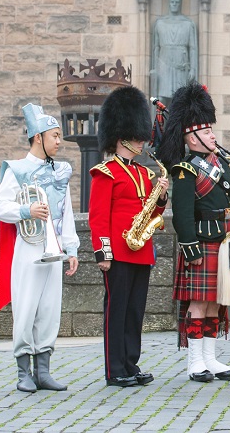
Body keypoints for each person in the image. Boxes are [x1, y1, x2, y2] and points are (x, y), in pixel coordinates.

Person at [155, 81, 230, 383]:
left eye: (211, 130)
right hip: (202, 243)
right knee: (198, 302)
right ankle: (194, 361)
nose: (212, 135)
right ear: (192, 137)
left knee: (215, 302)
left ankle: (210, 357)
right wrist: (190, 248)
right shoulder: (185, 170)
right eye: (206, 132)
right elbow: (181, 215)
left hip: (224, 242)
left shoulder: (222, 163)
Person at [0, 103, 80, 393]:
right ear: (38, 136)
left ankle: (43, 371)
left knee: (50, 310)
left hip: (53, 251)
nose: (59, 140)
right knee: (26, 309)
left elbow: (66, 214)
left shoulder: (61, 171)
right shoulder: (16, 170)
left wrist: (72, 249)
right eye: (55, 135)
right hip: (28, 250)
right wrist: (27, 210)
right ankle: (23, 372)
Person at [88, 85, 168, 387]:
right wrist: (103, 253)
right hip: (118, 251)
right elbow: (98, 218)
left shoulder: (144, 173)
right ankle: (115, 369)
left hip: (140, 248)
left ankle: (131, 364)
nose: (141, 140)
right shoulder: (105, 172)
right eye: (137, 136)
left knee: (135, 311)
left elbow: (155, 213)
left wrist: (161, 196)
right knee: (117, 310)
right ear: (122, 138)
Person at [151, 0, 198, 100]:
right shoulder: (160, 22)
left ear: (180, 3)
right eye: (172, 2)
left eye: (177, 2)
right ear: (169, 3)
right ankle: (159, 117)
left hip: (180, 64)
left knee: (179, 98)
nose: (174, 4)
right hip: (164, 64)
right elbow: (156, 47)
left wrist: (193, 69)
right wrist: (154, 68)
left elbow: (193, 48)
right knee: (161, 98)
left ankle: (179, 117)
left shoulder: (187, 23)